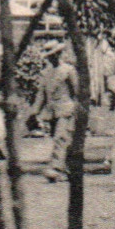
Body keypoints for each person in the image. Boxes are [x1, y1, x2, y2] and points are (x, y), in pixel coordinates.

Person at [34, 47, 78, 181]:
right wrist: (35, 112)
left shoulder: (68, 70)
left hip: (66, 109)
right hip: (51, 111)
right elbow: (41, 94)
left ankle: (56, 169)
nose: (52, 58)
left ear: (59, 54)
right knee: (62, 141)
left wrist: (78, 109)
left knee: (61, 138)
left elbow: (76, 91)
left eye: (54, 55)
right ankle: (68, 169)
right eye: (49, 56)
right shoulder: (46, 73)